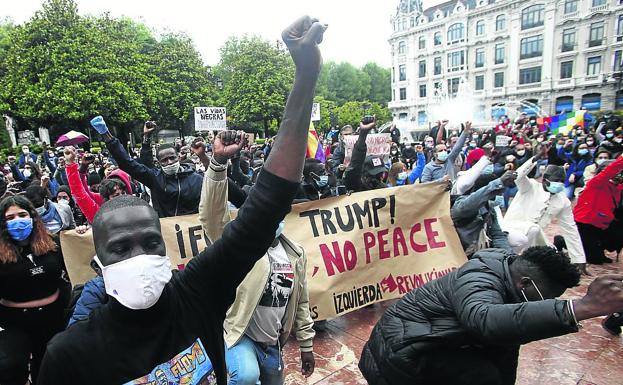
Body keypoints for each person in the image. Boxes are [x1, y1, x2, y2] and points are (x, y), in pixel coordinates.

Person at [37, 15, 326, 385]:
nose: (138, 256)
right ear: (100, 260)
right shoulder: (68, 356)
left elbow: (267, 203)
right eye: (121, 248)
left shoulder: (198, 294)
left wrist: (305, 78)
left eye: (150, 242)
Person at [359, 246, 623, 385]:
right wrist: (579, 308)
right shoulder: (480, 277)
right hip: (398, 354)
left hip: (428, 342)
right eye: (547, 298)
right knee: (480, 376)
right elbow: (484, 320)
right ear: (526, 283)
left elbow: (506, 349)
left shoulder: (509, 280)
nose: (547, 303)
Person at [195, 133, 316, 385]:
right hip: (239, 337)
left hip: (272, 344)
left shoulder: (295, 253)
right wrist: (218, 161)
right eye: (266, 206)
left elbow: (301, 301)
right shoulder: (237, 244)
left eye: (279, 205)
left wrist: (306, 345)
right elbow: (211, 215)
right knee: (246, 376)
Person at [0, 195, 69, 385]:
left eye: (22, 215)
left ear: (32, 217)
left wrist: (79, 236)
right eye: (10, 218)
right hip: (14, 323)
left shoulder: (53, 244)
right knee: (12, 368)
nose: (18, 221)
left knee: (49, 366)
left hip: (54, 318)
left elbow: (72, 264)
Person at [91, 118, 203, 218]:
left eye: (172, 158)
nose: (169, 162)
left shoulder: (197, 179)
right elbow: (127, 163)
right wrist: (106, 134)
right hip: (167, 233)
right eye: (164, 160)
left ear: (178, 157)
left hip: (194, 233)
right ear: (158, 163)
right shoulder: (155, 178)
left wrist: (203, 156)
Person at [502, 145, 587, 272]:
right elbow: (518, 176)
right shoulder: (530, 187)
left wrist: (579, 259)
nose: (558, 183)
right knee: (533, 229)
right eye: (555, 180)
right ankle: (508, 261)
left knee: (554, 259)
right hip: (511, 231)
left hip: (535, 239)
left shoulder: (563, 200)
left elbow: (570, 229)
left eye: (561, 181)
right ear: (544, 180)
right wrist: (535, 158)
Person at [451, 172, 515, 257]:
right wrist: (497, 184)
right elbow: (472, 202)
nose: (500, 196)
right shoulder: (461, 205)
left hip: (480, 252)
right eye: (497, 193)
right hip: (460, 254)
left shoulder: (490, 210)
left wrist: (509, 256)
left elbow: (497, 235)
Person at [574, 156, 623, 264]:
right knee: (594, 260)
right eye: (619, 172)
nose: (620, 174)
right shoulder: (596, 182)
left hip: (602, 224)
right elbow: (609, 171)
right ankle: (563, 241)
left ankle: (597, 247)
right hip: (585, 223)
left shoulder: (617, 187)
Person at [343, 117, 387, 192]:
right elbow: (355, 165)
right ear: (364, 175)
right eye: (373, 175)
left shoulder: (385, 190)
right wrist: (363, 134)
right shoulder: (356, 186)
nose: (377, 179)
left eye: (380, 175)